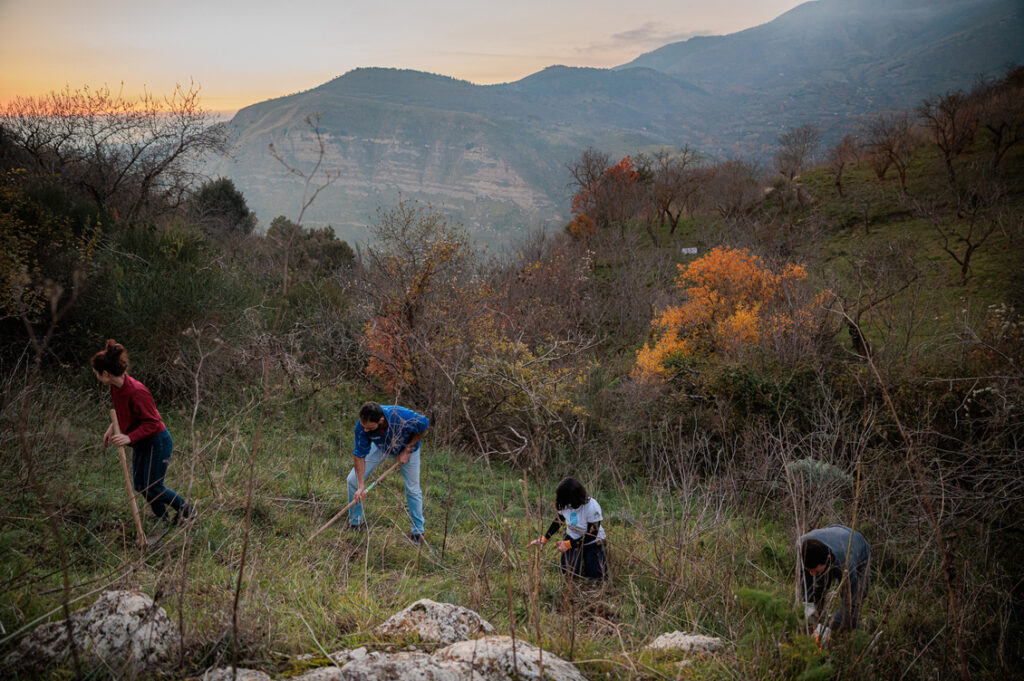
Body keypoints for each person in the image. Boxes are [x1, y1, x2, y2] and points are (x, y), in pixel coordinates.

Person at [92, 339, 192, 524]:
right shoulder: (115, 387)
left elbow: (153, 424)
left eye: (96, 373)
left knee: (153, 487)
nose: (96, 376)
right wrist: (112, 428)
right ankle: (163, 519)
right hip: (142, 444)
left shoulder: (137, 391)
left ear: (105, 373)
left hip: (157, 442)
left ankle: (186, 510)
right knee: (141, 486)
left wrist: (128, 437)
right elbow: (122, 412)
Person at [347, 402, 429, 544]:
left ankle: (417, 532)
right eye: (363, 426)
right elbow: (359, 455)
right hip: (381, 448)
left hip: (406, 449)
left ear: (381, 420)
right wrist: (361, 486)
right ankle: (356, 523)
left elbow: (424, 425)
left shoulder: (403, 417)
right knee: (352, 481)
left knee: (413, 490)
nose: (365, 430)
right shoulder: (362, 426)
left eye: (369, 428)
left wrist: (408, 448)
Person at [798, 524, 870, 642]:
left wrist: (829, 626)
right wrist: (808, 609)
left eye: (815, 570)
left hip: (857, 549)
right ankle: (816, 625)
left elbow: (850, 603)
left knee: (857, 599)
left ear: (827, 559)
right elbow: (806, 587)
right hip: (833, 537)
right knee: (816, 591)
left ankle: (847, 634)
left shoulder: (845, 563)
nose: (811, 574)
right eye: (808, 570)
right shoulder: (800, 547)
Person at [529, 477, 608, 580]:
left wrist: (568, 544)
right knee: (569, 573)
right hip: (572, 537)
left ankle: (589, 557)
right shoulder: (564, 503)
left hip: (593, 543)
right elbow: (558, 521)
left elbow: (592, 536)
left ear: (573, 497)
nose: (560, 502)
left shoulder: (592, 507)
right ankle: (578, 557)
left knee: (596, 577)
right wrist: (545, 539)